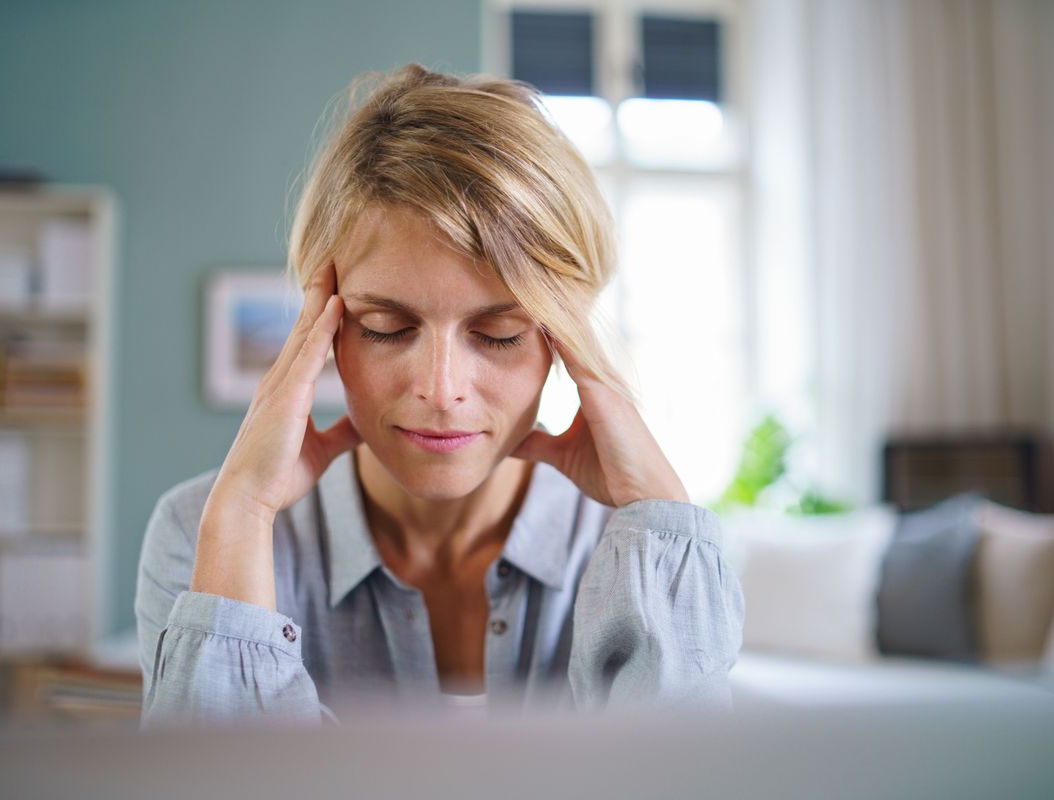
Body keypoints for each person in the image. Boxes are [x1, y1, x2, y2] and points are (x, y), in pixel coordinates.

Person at [135, 63, 744, 729]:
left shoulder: (644, 547)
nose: (442, 390)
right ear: (325, 326)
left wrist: (663, 517)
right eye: (386, 328)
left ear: (567, 335)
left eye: (500, 333)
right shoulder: (207, 533)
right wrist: (243, 513)